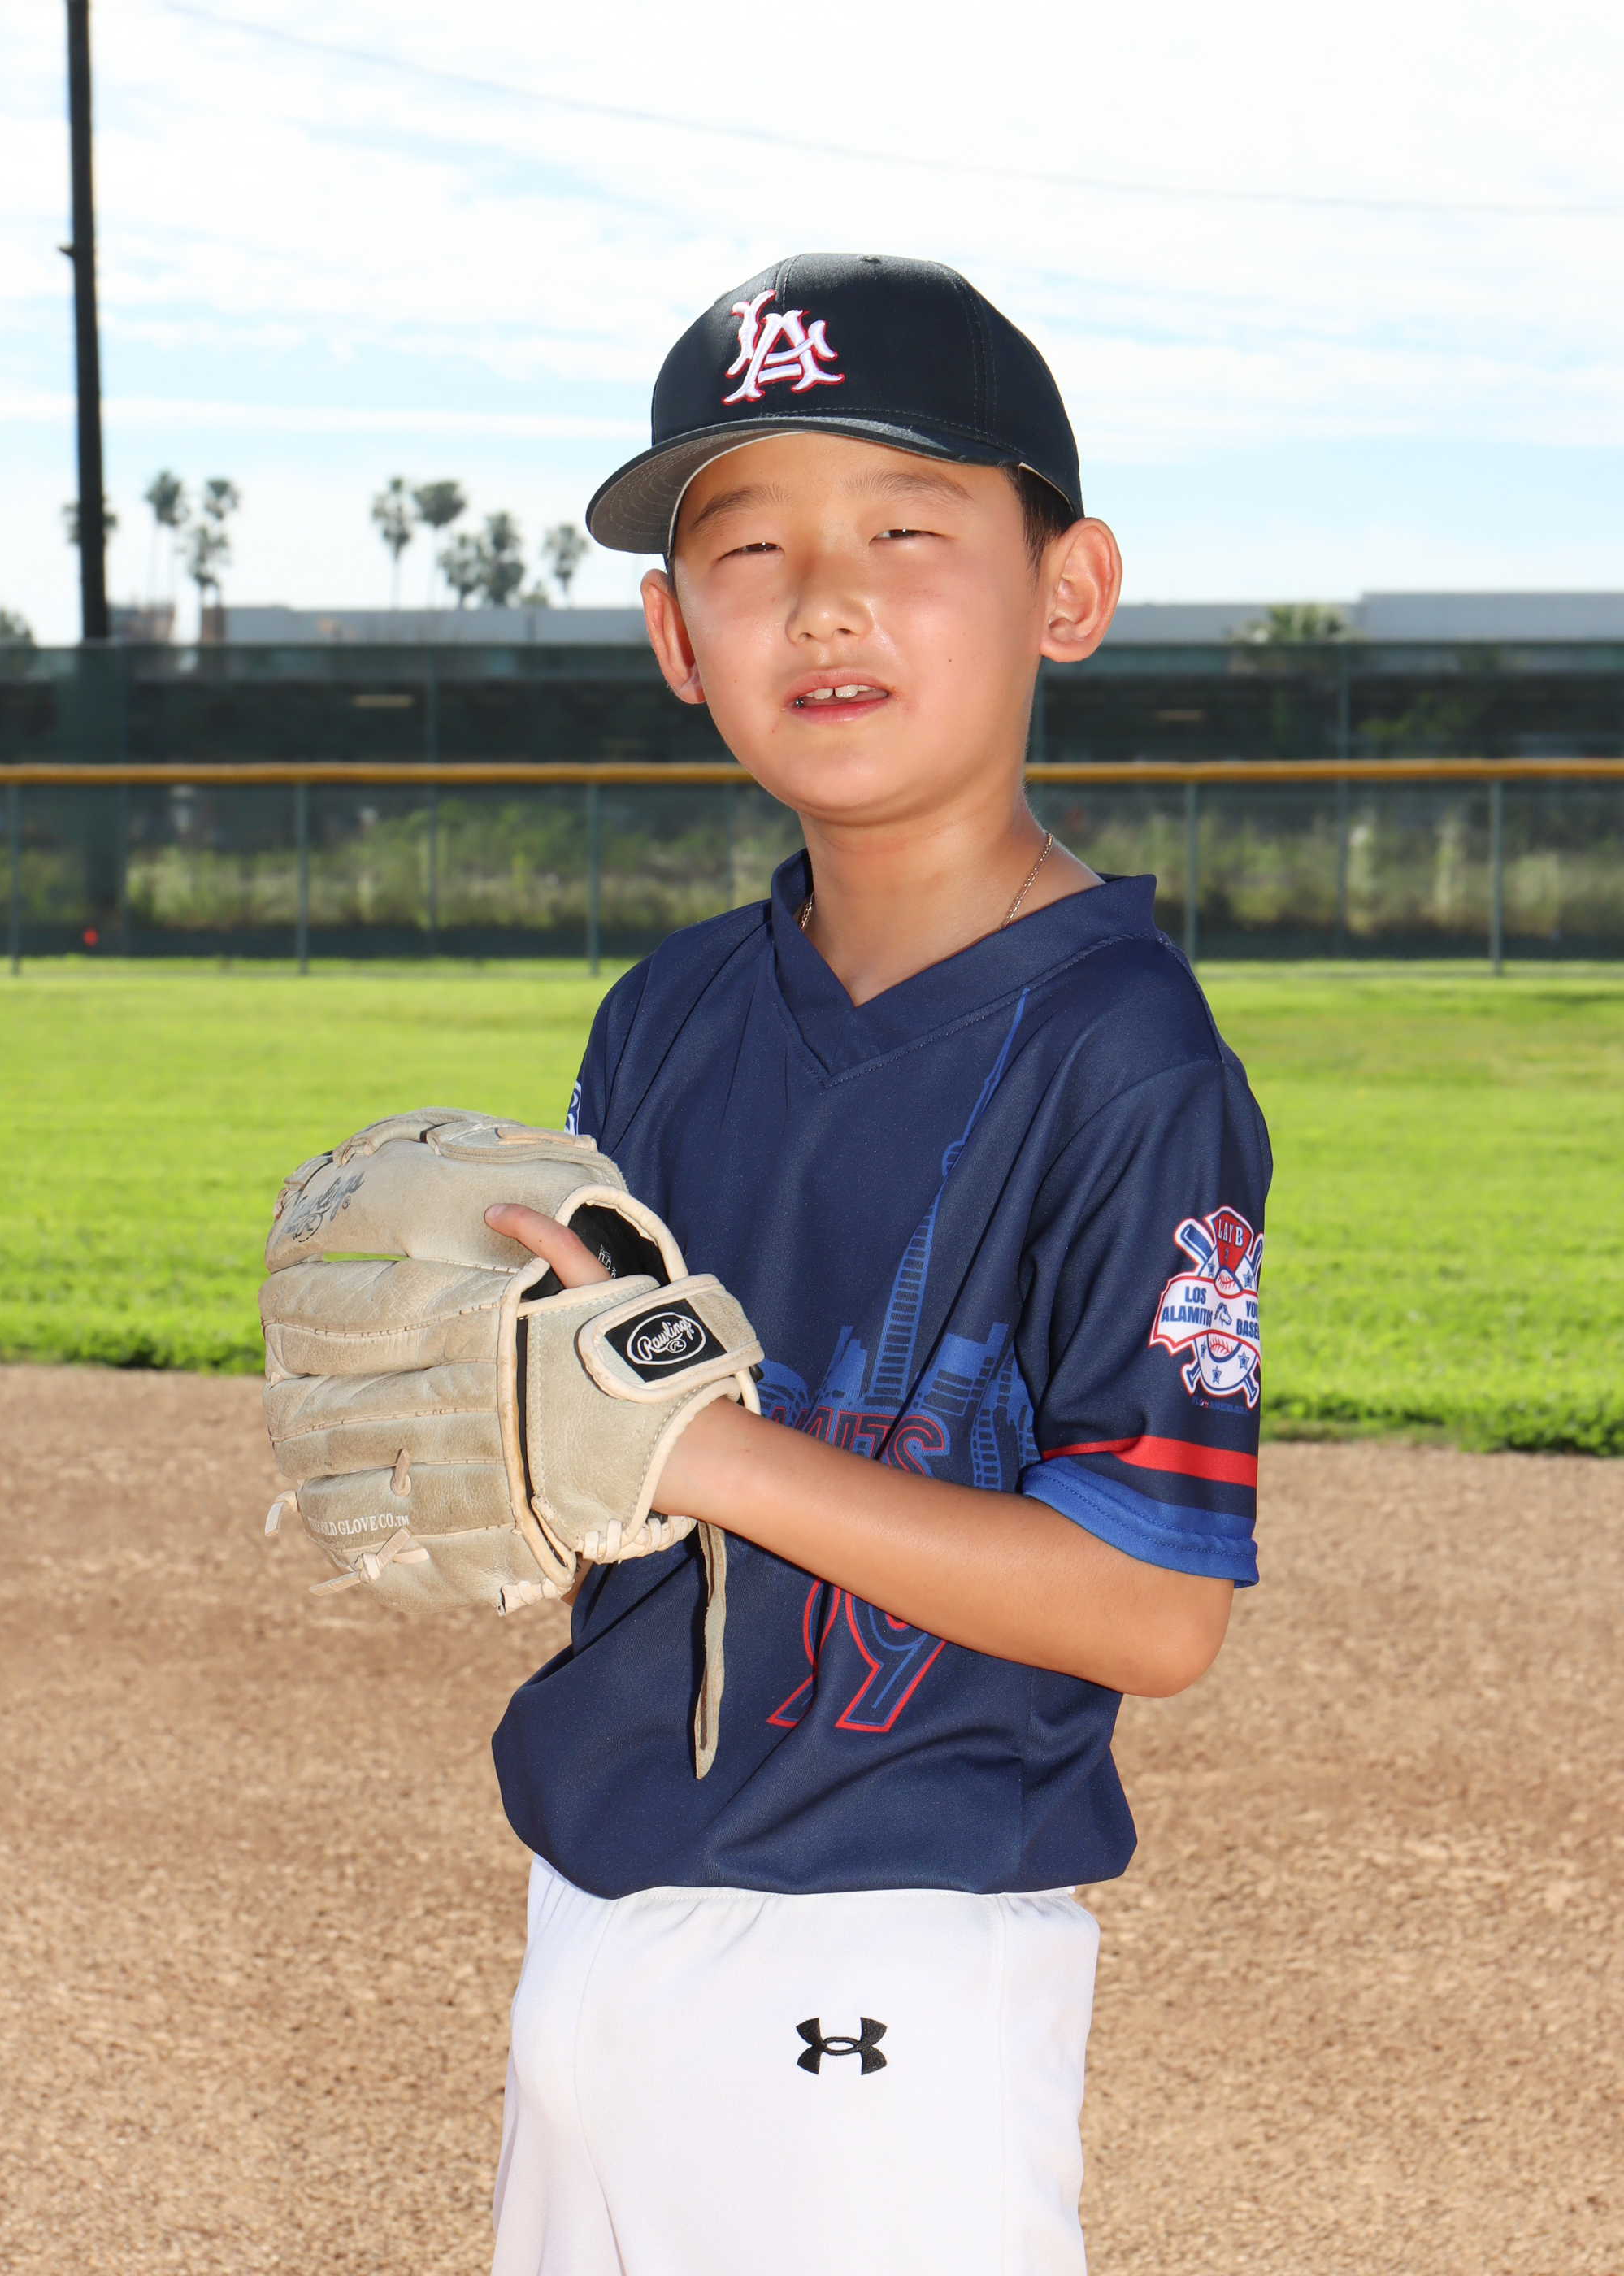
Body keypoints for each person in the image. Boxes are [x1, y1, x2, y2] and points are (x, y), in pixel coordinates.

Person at [482, 253, 1270, 2276]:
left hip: (888, 1956)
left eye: (905, 530)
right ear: (677, 635)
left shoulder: (1124, 1056)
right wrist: (504, 1429)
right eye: (749, 551)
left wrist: (693, 1444)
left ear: (1068, 589)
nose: (822, 601)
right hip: (596, 1904)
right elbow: (601, 1484)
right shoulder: (665, 1016)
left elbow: (1151, 1604)